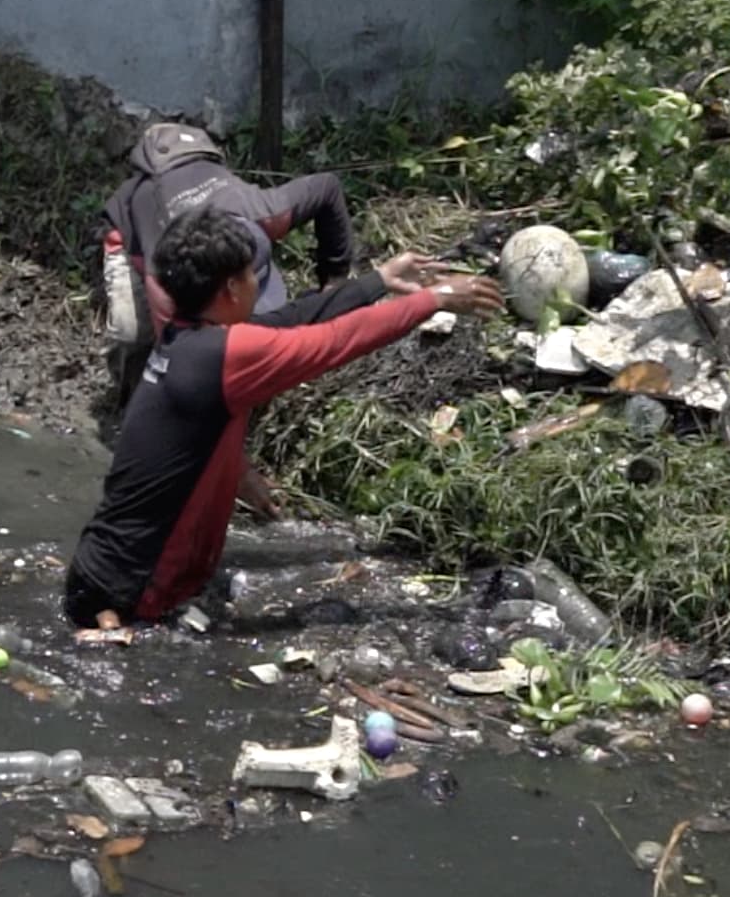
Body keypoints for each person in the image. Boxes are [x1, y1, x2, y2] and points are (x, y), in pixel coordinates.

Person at [65, 207, 499, 629]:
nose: (259, 282)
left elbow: (293, 319)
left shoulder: (187, 338)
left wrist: (379, 280)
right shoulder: (225, 354)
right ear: (233, 288)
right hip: (128, 599)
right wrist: (435, 299)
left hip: (105, 575)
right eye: (252, 273)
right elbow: (334, 341)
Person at [98, 121, 360, 416]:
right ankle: (127, 404)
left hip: (201, 189)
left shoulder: (266, 212)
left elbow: (327, 187)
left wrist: (334, 281)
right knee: (131, 333)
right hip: (132, 234)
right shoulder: (166, 278)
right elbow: (176, 362)